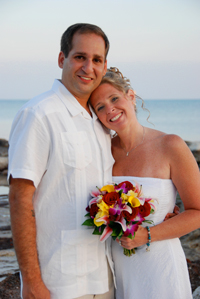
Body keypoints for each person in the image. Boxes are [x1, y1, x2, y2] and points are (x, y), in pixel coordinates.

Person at [8, 23, 115, 299]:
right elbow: (20, 198)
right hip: (60, 281)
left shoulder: (101, 122)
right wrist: (31, 281)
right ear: (61, 59)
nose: (88, 67)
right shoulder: (39, 114)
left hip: (105, 277)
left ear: (104, 66)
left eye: (96, 60)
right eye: (80, 57)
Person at [90, 67, 200, 299]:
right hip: (116, 267)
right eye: (100, 107)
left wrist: (147, 234)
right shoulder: (101, 152)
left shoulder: (170, 145)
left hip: (160, 267)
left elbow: (197, 211)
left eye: (114, 98)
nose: (110, 109)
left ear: (130, 96)